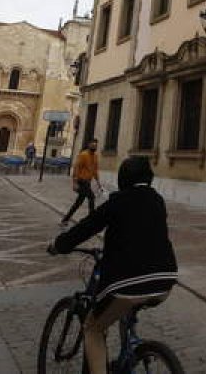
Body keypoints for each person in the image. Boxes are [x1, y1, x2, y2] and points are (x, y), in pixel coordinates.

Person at [47, 157, 177, 374]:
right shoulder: (158, 200)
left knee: (93, 328)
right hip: (165, 280)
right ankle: (130, 349)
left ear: (123, 178)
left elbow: (85, 228)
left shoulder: (118, 202)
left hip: (128, 282)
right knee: (125, 307)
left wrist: (58, 245)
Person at [61, 139, 100, 225]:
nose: (94, 147)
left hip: (88, 182)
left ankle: (65, 219)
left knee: (79, 202)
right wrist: (74, 182)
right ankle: (91, 220)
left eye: (95, 146)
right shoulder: (83, 155)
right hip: (82, 181)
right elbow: (76, 168)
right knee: (91, 197)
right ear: (89, 145)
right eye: (92, 145)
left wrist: (98, 182)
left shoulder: (95, 156)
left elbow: (95, 170)